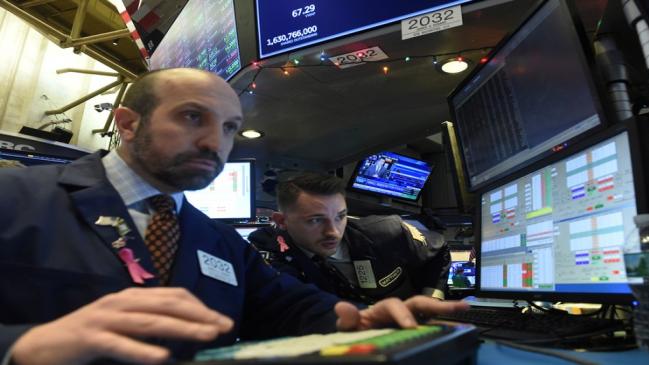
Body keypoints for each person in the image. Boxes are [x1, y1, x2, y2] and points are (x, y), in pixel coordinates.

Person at [0, 68, 468, 365]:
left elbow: (293, 307)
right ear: (127, 123)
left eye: (228, 128)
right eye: (191, 118)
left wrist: (360, 319)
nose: (214, 143)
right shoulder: (16, 196)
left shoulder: (220, 242)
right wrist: (22, 346)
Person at [249, 173, 450, 304]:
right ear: (281, 221)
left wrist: (432, 298)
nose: (333, 232)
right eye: (315, 220)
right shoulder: (270, 252)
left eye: (340, 216)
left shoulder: (386, 232)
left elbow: (439, 250)